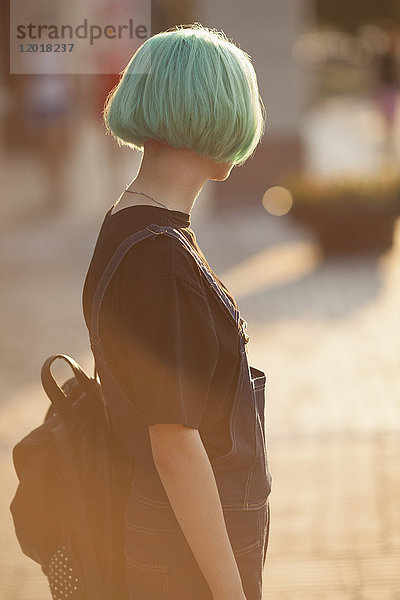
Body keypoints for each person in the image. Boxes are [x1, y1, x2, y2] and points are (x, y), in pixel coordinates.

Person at [82, 23, 272, 600]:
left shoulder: (129, 225)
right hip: (183, 550)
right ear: (213, 117)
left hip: (166, 531)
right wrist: (228, 590)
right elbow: (175, 442)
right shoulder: (161, 261)